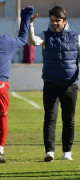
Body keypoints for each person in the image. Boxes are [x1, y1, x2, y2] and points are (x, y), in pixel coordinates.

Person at [28, 6, 80, 162]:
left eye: (57, 21)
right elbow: (32, 41)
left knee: (69, 120)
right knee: (50, 119)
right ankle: (49, 151)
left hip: (70, 85)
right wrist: (29, 25)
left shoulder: (76, 37)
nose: (54, 23)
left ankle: (67, 152)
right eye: (52, 20)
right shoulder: (45, 36)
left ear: (64, 21)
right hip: (50, 84)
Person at [0, 6, 34, 163]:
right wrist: (26, 16)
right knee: (2, 116)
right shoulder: (6, 40)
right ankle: (0, 150)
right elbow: (22, 39)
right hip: (1, 85)